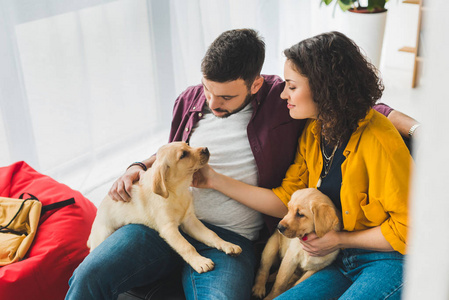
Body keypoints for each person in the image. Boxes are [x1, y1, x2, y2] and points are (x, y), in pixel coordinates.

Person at [66, 29, 413, 300]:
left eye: (226, 96)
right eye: (206, 90)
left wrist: (419, 129)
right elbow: (169, 153)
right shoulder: (308, 129)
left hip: (253, 240)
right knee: (88, 275)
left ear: (256, 84)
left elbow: (367, 110)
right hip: (162, 222)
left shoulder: (288, 109)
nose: (212, 102)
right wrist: (135, 166)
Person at [192, 31, 411, 299]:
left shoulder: (380, 141)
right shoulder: (314, 131)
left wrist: (341, 240)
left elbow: (410, 229)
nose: (283, 94)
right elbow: (285, 197)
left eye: (292, 87)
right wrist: (213, 179)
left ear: (324, 89)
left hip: (387, 260)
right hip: (334, 258)